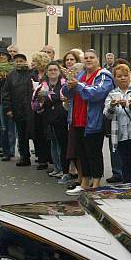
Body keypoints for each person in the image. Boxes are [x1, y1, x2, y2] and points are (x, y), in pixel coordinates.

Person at [62, 49, 114, 195]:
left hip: (93, 121)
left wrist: (77, 85)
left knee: (93, 153)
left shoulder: (104, 75)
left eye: (92, 57)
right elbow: (67, 93)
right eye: (86, 58)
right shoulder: (81, 74)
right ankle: (84, 182)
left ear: (98, 59)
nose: (88, 60)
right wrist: (68, 85)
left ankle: (96, 183)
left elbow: (97, 93)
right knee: (82, 153)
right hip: (77, 118)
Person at [32, 61, 68, 179]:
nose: (53, 72)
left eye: (55, 70)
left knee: (62, 145)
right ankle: (56, 168)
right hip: (48, 119)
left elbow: (66, 99)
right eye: (50, 70)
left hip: (61, 118)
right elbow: (35, 104)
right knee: (53, 144)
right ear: (47, 72)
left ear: (59, 71)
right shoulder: (42, 86)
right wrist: (41, 101)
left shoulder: (64, 84)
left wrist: (53, 98)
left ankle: (64, 169)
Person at [104, 64, 131, 184]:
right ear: (114, 78)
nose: (123, 78)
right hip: (121, 134)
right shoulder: (111, 94)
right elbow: (107, 115)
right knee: (126, 162)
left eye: (125, 75)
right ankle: (127, 186)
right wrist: (112, 106)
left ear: (130, 76)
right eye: (119, 76)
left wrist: (130, 106)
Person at [2, 53, 34, 166]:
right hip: (17, 109)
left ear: (25, 61)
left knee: (33, 133)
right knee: (21, 135)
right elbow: (6, 93)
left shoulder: (31, 73)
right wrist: (8, 109)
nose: (19, 63)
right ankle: (24, 157)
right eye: (17, 61)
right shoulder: (11, 76)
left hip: (31, 110)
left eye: (21, 61)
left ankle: (42, 157)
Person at [61, 50, 84, 186]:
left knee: (84, 151)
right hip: (72, 119)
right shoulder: (68, 83)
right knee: (74, 151)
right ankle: (80, 177)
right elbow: (67, 104)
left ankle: (87, 178)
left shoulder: (84, 83)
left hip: (85, 120)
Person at [0, 47, 16, 161]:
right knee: (3, 127)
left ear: (8, 56)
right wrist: (0, 80)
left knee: (11, 127)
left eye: (3, 54)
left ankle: (10, 150)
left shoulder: (13, 68)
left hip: (12, 101)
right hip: (1, 100)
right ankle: (5, 150)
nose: (1, 56)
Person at [30, 52, 52, 170]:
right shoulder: (32, 74)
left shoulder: (49, 73)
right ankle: (42, 159)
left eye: (35, 61)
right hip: (35, 107)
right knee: (37, 133)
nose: (33, 63)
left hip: (48, 107)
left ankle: (50, 157)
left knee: (47, 133)